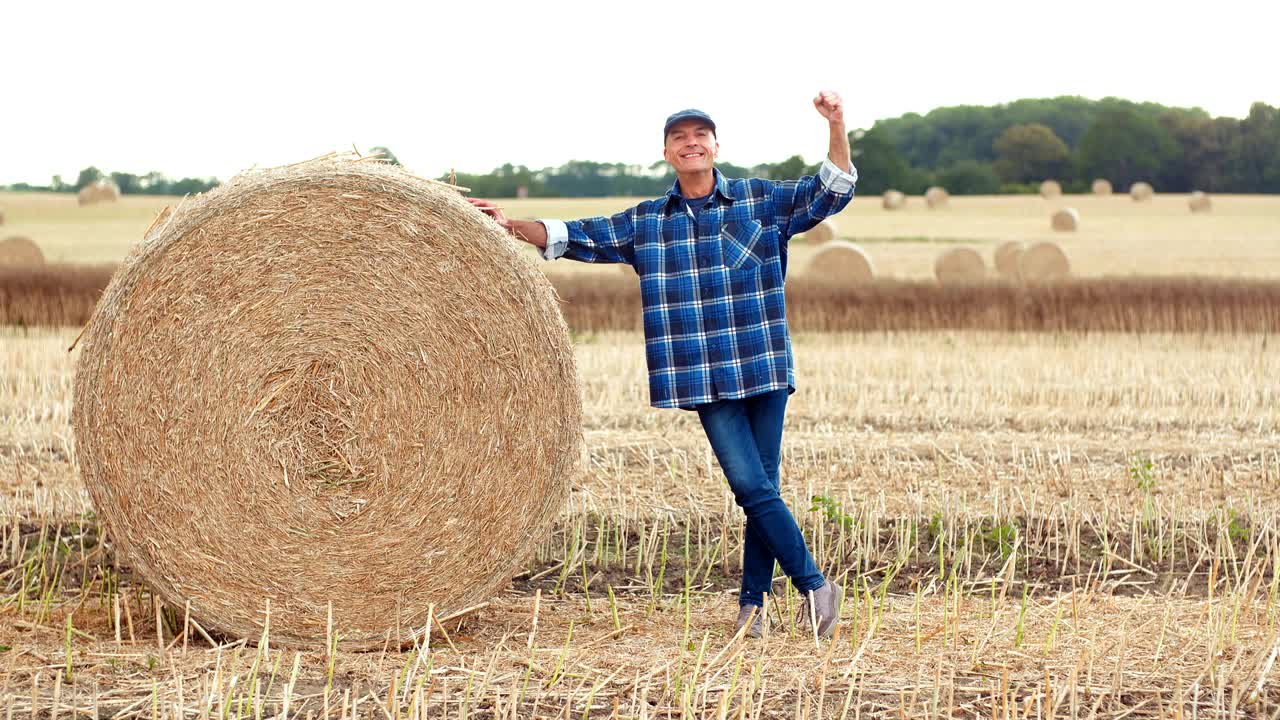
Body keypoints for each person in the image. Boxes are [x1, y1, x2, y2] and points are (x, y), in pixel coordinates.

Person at [469, 91, 857, 639]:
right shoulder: (647, 222)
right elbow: (575, 235)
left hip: (763, 364)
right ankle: (814, 587)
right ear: (668, 154)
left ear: (716, 146)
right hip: (704, 376)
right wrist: (509, 224)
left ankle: (757, 608)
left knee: (758, 489)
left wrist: (836, 124)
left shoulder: (760, 200)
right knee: (753, 487)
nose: (691, 142)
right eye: (680, 137)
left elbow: (832, 189)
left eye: (701, 134)